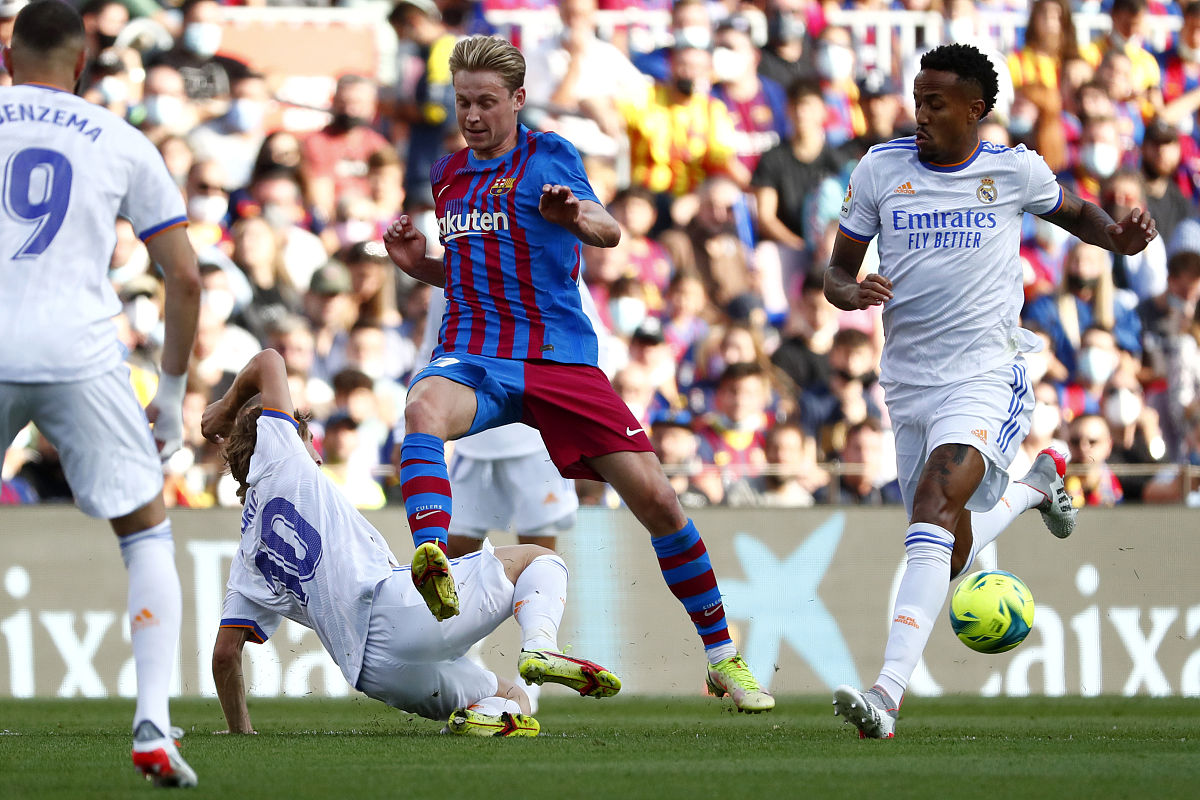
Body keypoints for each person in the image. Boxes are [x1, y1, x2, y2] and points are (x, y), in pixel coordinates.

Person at [383, 34, 773, 713]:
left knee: (658, 501)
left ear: (518, 100)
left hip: (559, 359)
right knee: (421, 411)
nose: (473, 115)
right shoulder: (447, 177)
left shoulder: (550, 155)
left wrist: (577, 217)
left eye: (486, 102)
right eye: (463, 101)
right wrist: (421, 266)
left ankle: (722, 658)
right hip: (477, 352)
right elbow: (474, 267)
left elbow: (606, 228)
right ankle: (430, 558)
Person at [824, 43, 1156, 739]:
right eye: (917, 100)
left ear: (976, 110)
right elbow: (835, 274)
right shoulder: (881, 168)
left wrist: (1118, 241)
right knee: (945, 547)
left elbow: (1079, 214)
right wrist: (852, 291)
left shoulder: (1014, 171)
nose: (920, 114)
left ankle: (886, 697)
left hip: (985, 370)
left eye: (935, 103)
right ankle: (1036, 487)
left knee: (934, 503)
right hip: (908, 378)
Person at [202, 350, 620, 738]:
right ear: (297, 440)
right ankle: (540, 646)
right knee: (538, 559)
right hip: (391, 608)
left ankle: (478, 721)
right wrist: (226, 408)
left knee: (515, 700)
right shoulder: (283, 456)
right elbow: (270, 360)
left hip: (373, 673)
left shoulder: (246, 563)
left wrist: (241, 731)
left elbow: (225, 656)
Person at [0, 1, 202, 786]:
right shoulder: (120, 140)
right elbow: (182, 276)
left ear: (10, 57)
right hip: (80, 353)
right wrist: (173, 392)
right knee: (146, 532)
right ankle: (153, 723)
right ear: (81, 64)